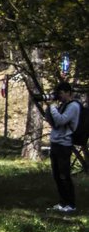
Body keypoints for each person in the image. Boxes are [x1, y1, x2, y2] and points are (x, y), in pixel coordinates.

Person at [41, 82, 80, 212]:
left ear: (68, 92)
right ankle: (63, 203)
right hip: (56, 143)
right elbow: (52, 121)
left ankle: (71, 204)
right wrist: (49, 108)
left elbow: (61, 120)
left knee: (64, 175)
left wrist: (52, 106)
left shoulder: (73, 106)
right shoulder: (62, 105)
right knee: (57, 175)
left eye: (61, 94)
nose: (60, 97)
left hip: (64, 145)